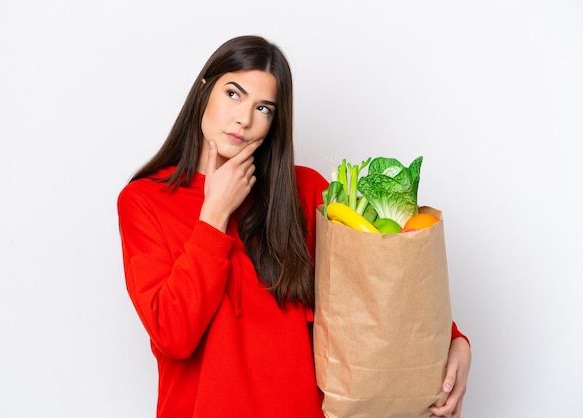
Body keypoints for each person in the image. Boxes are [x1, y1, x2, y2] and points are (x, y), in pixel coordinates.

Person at [117, 35, 471, 418]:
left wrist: (454, 341)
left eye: (264, 108)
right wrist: (214, 214)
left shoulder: (305, 192)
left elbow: (376, 288)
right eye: (233, 94)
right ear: (204, 90)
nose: (244, 119)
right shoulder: (144, 201)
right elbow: (173, 336)